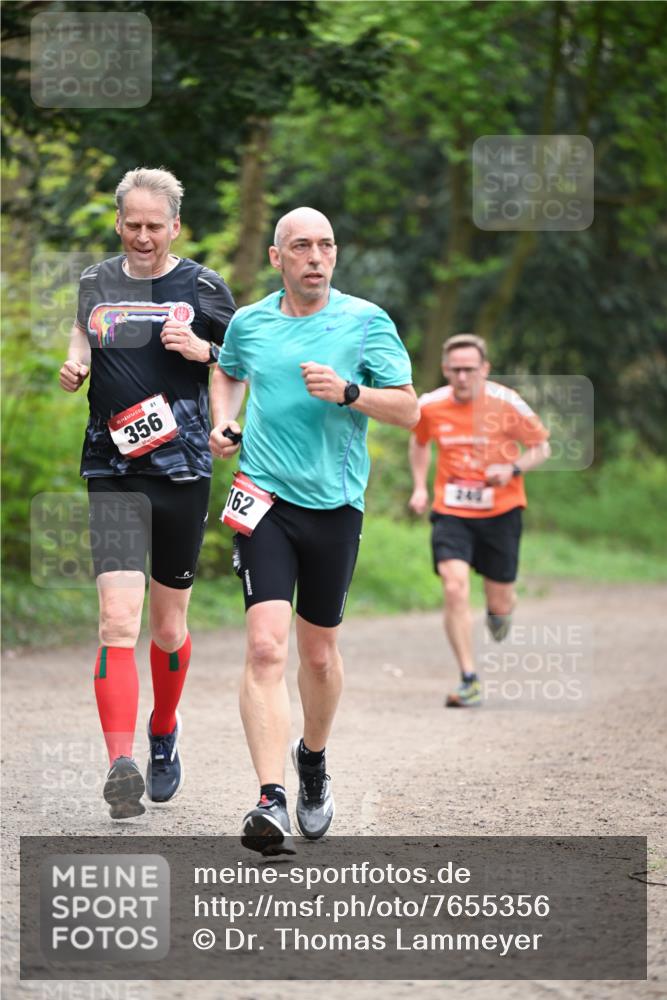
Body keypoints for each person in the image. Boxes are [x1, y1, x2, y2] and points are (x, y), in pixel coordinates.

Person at [209, 206, 418, 855]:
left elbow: (410, 409)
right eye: (300, 245)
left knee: (318, 653)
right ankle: (269, 798)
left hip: (334, 505)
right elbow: (228, 369)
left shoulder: (364, 322)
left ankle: (313, 759)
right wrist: (224, 419)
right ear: (277, 257)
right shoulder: (251, 322)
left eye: (325, 244)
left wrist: (351, 393)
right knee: (267, 648)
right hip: (262, 497)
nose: (315, 256)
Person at [59, 167, 235, 818]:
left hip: (182, 470)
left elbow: (236, 362)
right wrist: (76, 360)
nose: (141, 236)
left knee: (166, 630)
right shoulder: (93, 281)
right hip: (111, 468)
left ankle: (163, 730)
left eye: (153, 226)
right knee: (115, 623)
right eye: (130, 224)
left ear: (174, 227)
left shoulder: (204, 286)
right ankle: (120, 765)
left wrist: (205, 363)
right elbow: (84, 330)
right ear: (117, 222)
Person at [408, 333, 550, 707]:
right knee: (454, 587)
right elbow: (420, 442)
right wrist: (420, 487)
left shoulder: (507, 403)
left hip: (501, 511)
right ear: (445, 370)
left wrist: (514, 467)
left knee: (500, 602)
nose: (462, 377)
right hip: (452, 511)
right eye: (455, 370)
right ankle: (469, 677)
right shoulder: (430, 405)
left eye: (470, 370)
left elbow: (542, 446)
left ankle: (500, 613)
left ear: (484, 369)